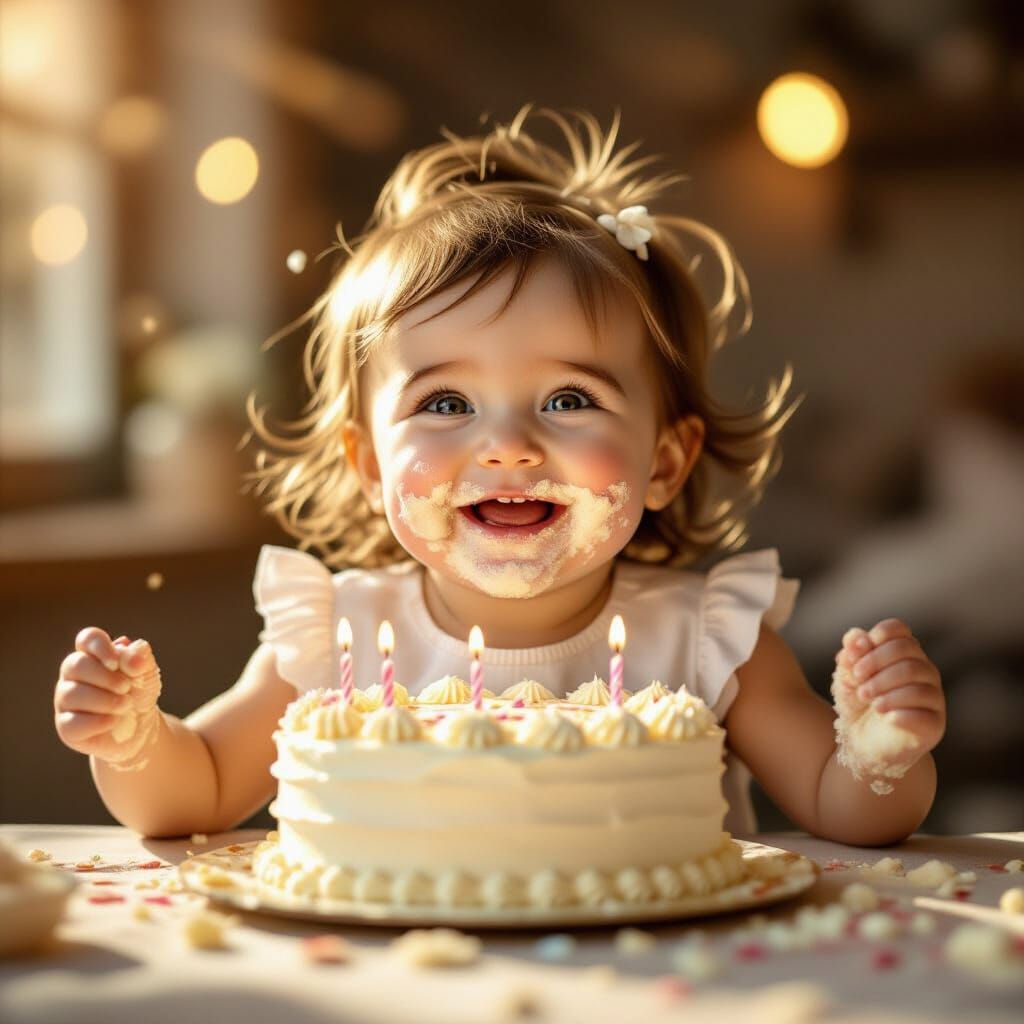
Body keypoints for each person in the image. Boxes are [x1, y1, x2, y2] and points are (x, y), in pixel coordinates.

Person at [53, 107, 944, 844]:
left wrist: (880, 750)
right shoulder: (338, 639)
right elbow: (193, 794)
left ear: (665, 462)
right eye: (446, 405)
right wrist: (133, 742)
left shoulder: (712, 642)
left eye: (566, 399)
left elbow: (845, 810)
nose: (508, 445)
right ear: (368, 467)